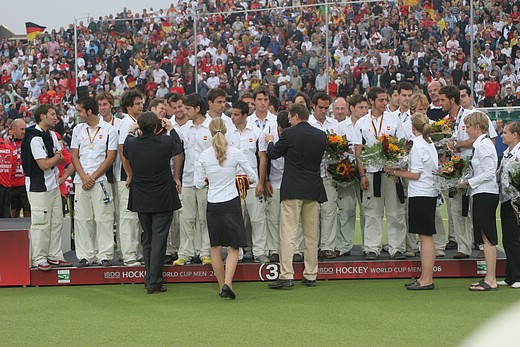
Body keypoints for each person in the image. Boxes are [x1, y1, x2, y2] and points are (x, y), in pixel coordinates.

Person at [265, 103, 327, 289]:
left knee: (288, 233)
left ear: (295, 116)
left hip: (293, 189)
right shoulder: (321, 135)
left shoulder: (289, 134)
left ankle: (286, 275)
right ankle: (310, 275)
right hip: (313, 188)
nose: (289, 120)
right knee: (311, 235)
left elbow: (274, 154)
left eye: (290, 117)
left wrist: (269, 141)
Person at [195, 117, 257, 299]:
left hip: (213, 203)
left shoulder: (204, 155)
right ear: (226, 131)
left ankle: (222, 285)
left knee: (215, 247)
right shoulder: (236, 152)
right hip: (231, 201)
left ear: (210, 133)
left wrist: (209, 181)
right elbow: (252, 176)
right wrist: (240, 181)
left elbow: (197, 183)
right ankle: (228, 283)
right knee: (233, 247)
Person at [124, 112, 183, 294]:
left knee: (148, 237)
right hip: (162, 197)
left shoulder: (132, 144)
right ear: (158, 127)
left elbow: (126, 147)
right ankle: (154, 281)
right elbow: (178, 146)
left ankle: (149, 278)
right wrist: (171, 128)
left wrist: (132, 130)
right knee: (158, 238)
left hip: (142, 197)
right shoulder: (164, 142)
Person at [384, 113, 438, 290]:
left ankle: (427, 279)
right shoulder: (429, 144)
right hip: (427, 192)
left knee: (425, 237)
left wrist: (393, 171)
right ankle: (424, 277)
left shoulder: (418, 145)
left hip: (421, 193)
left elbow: (415, 175)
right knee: (425, 237)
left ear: (413, 128)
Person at [353, 87, 407, 260]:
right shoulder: (362, 123)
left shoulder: (394, 120)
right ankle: (371, 248)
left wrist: (396, 160)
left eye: (386, 100)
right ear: (371, 101)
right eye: (381, 100)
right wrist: (362, 175)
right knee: (371, 213)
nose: (385, 103)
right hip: (371, 173)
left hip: (392, 173)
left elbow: (404, 145)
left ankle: (397, 247)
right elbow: (358, 151)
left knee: (395, 213)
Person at [21, 105, 71, 270]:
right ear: (42, 116)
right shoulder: (34, 138)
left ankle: (54, 255)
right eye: (52, 114)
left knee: (57, 221)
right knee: (41, 223)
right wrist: (56, 156)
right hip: (38, 186)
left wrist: (56, 157)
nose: (56, 118)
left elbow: (61, 157)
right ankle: (39, 258)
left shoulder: (51, 135)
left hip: (53, 184)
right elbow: (44, 164)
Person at [71, 97, 118, 267]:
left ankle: (104, 255)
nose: (77, 114)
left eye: (79, 111)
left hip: (101, 181)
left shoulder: (109, 130)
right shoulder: (77, 129)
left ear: (89, 111)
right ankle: (85, 255)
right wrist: (83, 177)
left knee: (103, 218)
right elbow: (74, 155)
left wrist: (93, 177)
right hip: (80, 180)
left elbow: (110, 156)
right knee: (82, 219)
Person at [461, 112, 499, 291]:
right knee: (485, 238)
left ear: (477, 127)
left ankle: (491, 279)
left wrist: (469, 182)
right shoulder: (482, 145)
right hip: (482, 193)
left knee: (488, 238)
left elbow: (490, 172)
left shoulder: (484, 145)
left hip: (486, 193)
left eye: (468, 126)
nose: (466, 130)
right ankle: (489, 277)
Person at [173, 94, 212, 266]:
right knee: (186, 218)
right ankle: (185, 253)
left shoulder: (212, 127)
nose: (184, 111)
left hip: (206, 181)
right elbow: (179, 154)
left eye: (187, 108)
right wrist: (177, 176)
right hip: (188, 179)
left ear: (197, 109)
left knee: (205, 218)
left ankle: (206, 253)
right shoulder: (184, 129)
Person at [118, 89, 144, 266]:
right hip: (128, 176)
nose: (141, 105)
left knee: (136, 217)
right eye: (137, 103)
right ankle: (128, 255)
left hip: (137, 174)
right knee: (128, 217)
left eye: (141, 102)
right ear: (128, 107)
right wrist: (129, 173)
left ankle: (134, 251)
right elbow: (122, 149)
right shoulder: (125, 123)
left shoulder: (136, 122)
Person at [497, 121, 520, 288]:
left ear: (515, 135)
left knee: (515, 238)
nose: (502, 135)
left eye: (505, 133)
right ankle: (510, 275)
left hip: (516, 200)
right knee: (507, 238)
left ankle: (518, 276)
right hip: (505, 199)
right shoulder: (506, 152)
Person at [8, 119, 31, 217]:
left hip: (26, 184)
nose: (24, 132)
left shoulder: (29, 142)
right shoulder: (7, 144)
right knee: (13, 212)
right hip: (12, 185)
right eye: (21, 129)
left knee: (28, 212)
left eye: (25, 129)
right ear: (13, 130)